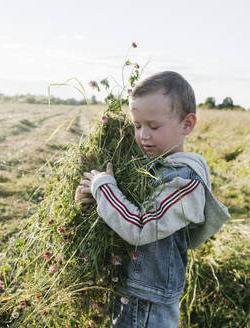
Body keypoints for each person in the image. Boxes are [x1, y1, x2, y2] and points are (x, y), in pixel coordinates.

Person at [75, 71, 230, 327]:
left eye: (153, 126)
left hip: (148, 303)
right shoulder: (153, 167)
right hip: (134, 291)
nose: (143, 136)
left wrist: (104, 188)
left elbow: (140, 227)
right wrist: (94, 196)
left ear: (187, 124)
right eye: (137, 126)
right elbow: (125, 209)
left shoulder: (184, 182)